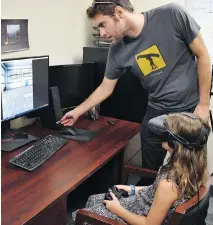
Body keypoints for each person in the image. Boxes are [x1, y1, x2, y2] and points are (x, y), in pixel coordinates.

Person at [61, 0, 211, 170]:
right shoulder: (117, 50)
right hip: (156, 110)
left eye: (103, 24)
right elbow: (105, 87)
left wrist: (204, 104)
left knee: (191, 172)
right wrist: (77, 112)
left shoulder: (172, 14)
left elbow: (203, 55)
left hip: (189, 108)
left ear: (118, 12)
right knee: (150, 170)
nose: (102, 33)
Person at [70, 113, 210, 225]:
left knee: (82, 214)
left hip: (141, 216)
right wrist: (132, 189)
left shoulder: (169, 185)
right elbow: (156, 191)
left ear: (175, 143)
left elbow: (149, 223)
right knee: (94, 199)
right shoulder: (191, 169)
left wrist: (117, 210)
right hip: (145, 204)